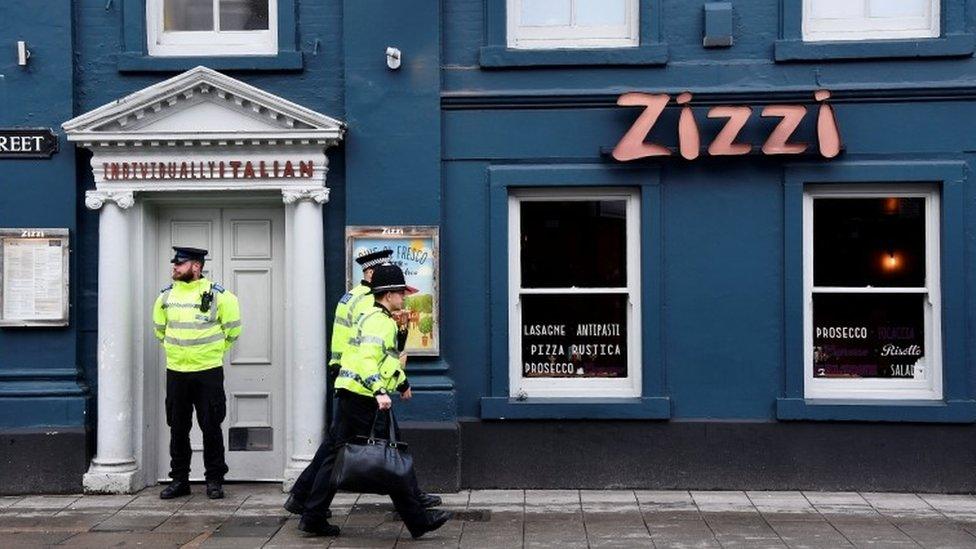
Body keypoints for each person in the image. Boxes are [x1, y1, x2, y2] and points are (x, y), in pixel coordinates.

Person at [297, 263, 452, 538]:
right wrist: (380, 390)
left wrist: (401, 382)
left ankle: (312, 514)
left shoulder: (370, 316)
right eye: (402, 293)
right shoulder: (380, 322)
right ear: (389, 294)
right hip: (364, 398)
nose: (404, 298)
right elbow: (368, 360)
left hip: (350, 393)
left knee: (335, 458)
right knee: (393, 457)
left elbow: (379, 359)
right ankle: (418, 520)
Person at [152, 246, 242, 500]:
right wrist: (178, 351)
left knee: (211, 427)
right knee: (177, 428)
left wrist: (214, 352)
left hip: (208, 372)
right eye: (174, 264)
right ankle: (179, 480)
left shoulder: (219, 296)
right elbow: (159, 329)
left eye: (180, 264)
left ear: (196, 266)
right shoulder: (166, 296)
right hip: (177, 372)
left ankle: (214, 480)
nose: (174, 268)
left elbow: (233, 331)